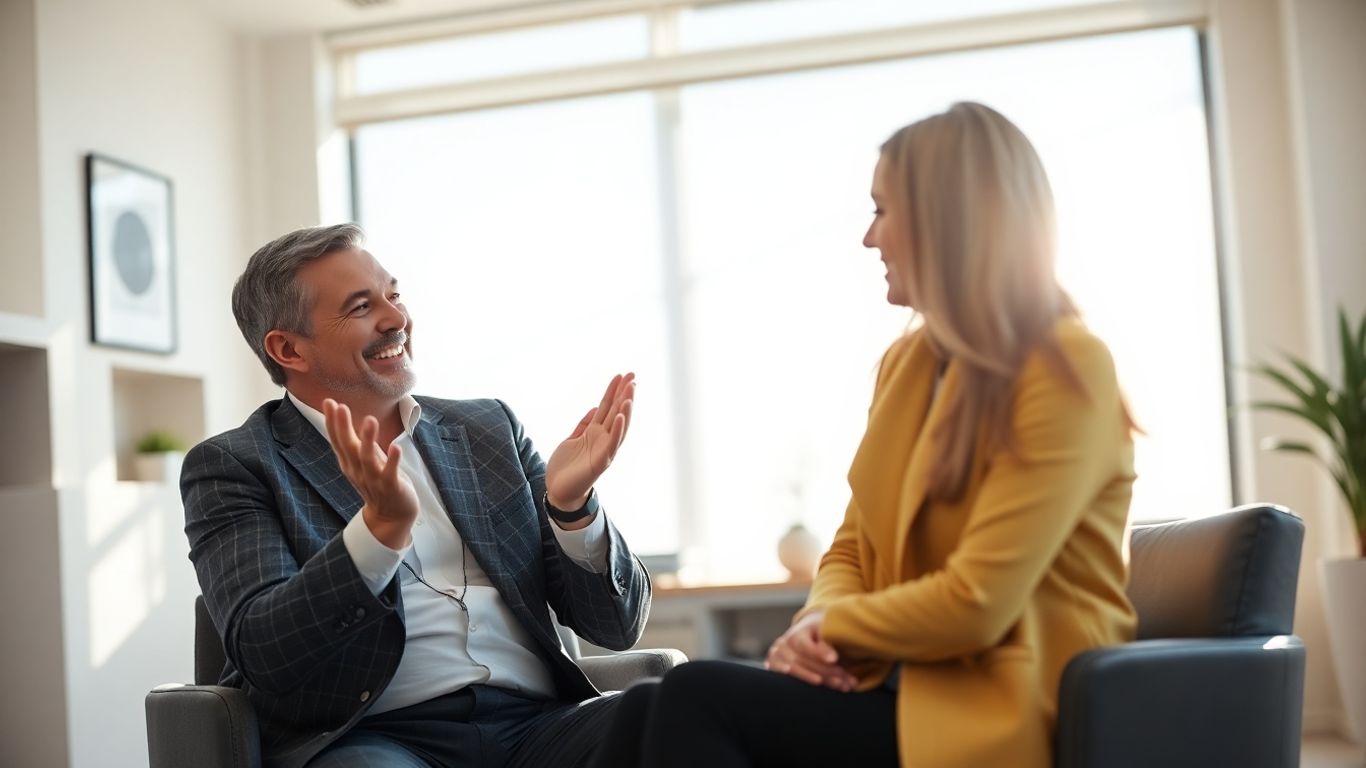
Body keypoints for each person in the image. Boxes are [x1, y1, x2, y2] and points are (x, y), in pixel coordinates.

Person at [592, 102, 1138, 768]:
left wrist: (836, 626)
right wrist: (815, 631)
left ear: (947, 220)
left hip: (1002, 708)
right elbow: (852, 547)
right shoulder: (906, 368)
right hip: (901, 691)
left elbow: (979, 602)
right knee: (646, 706)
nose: (868, 239)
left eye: (882, 211)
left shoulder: (1066, 366)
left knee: (697, 695)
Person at [181, 223, 651, 768]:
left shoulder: (487, 429)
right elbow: (266, 652)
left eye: (394, 295)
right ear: (289, 348)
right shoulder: (237, 465)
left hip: (541, 727)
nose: (396, 319)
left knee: (673, 709)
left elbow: (616, 628)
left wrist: (573, 510)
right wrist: (377, 534)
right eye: (361, 307)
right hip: (375, 739)